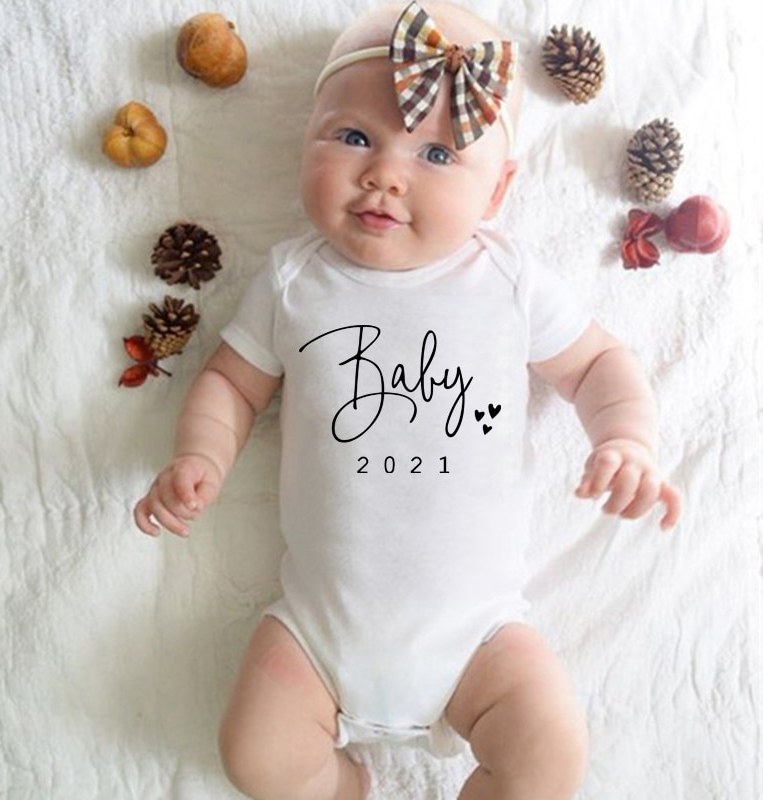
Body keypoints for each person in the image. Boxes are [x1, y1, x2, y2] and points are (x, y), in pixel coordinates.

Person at [134, 3, 682, 798]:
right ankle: (340, 786)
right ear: (307, 139)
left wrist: (626, 438)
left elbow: (599, 362)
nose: (386, 175)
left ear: (497, 190)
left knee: (550, 756)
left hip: (481, 637)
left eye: (436, 153)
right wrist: (201, 455)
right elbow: (229, 382)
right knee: (255, 758)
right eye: (355, 137)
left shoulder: (507, 280)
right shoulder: (294, 280)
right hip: (317, 636)